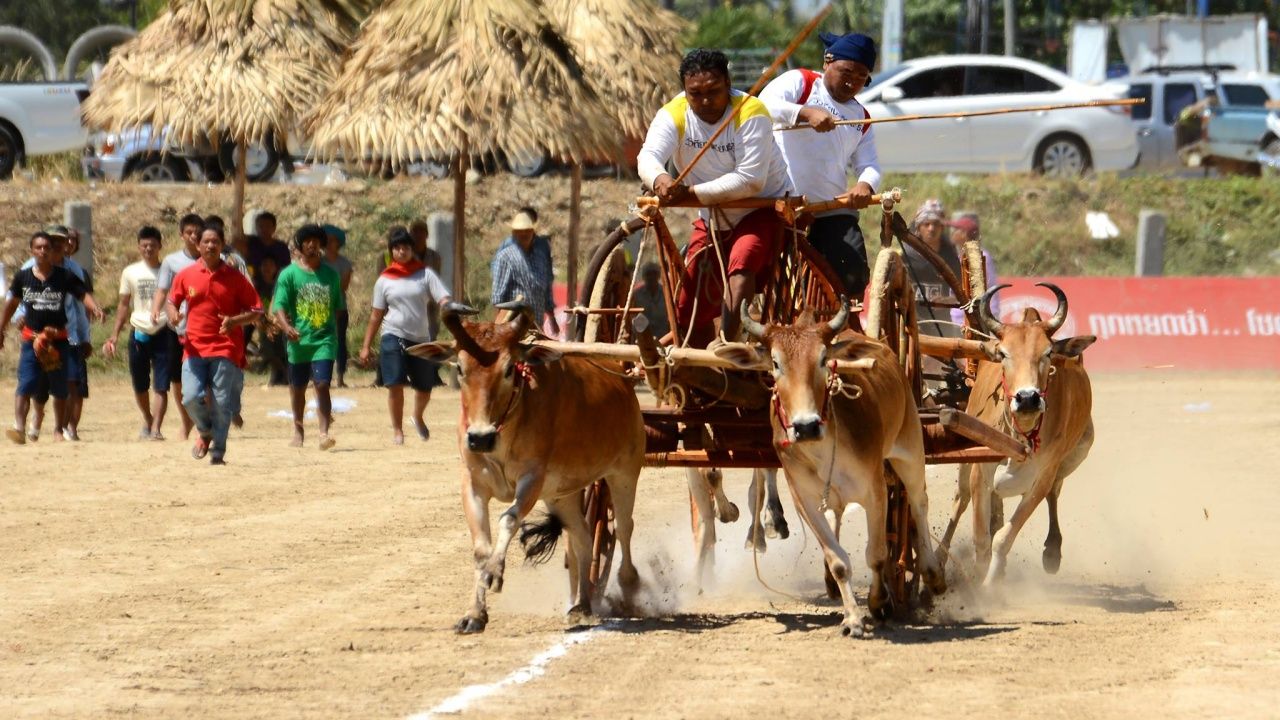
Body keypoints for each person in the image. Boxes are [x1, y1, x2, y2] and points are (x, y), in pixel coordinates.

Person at [637, 48, 793, 346]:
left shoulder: (751, 111)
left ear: (728, 84)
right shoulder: (674, 113)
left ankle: (727, 347)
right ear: (685, 91)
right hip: (711, 216)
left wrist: (689, 193)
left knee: (742, 261)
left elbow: (750, 180)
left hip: (761, 208)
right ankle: (695, 363)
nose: (705, 101)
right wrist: (660, 180)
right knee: (687, 306)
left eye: (714, 91)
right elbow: (648, 156)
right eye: (695, 94)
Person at [760, 31, 880, 300]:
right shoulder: (801, 82)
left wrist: (865, 184)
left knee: (852, 276)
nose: (852, 82)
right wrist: (805, 113)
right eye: (846, 72)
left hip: (828, 209)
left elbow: (870, 164)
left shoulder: (861, 117)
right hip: (777, 204)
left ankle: (845, 317)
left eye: (861, 76)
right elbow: (762, 107)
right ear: (827, 62)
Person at [166, 224, 262, 465]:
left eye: (215, 242)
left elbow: (256, 310)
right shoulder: (186, 275)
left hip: (225, 347)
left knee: (220, 402)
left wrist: (235, 321)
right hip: (194, 348)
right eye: (206, 242)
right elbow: (171, 301)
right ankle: (205, 431)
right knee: (190, 396)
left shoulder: (235, 277)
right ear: (197, 245)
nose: (210, 245)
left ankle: (218, 451)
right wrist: (173, 314)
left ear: (222, 245)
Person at [1, 231, 103, 444]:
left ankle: (58, 429)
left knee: (60, 388)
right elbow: (12, 304)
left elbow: (82, 294)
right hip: (32, 340)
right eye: (38, 248)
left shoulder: (64, 276)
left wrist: (95, 308)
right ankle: (19, 427)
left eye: (46, 247)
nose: (43, 251)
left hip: (59, 339)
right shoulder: (23, 277)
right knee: (25, 384)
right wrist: (1, 328)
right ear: (32, 250)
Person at [360, 226, 452, 445]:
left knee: (425, 388)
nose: (402, 251)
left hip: (421, 338)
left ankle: (417, 416)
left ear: (412, 250)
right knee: (395, 384)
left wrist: (449, 306)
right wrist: (366, 346)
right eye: (398, 248)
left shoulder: (425, 274)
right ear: (391, 251)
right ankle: (398, 430)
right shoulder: (384, 280)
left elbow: (443, 297)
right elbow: (376, 315)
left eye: (406, 248)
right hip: (393, 334)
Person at [272, 224, 344, 450]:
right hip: (298, 342)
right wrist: (286, 327)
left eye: (316, 241)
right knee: (298, 388)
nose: (312, 245)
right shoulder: (289, 275)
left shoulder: (331, 275)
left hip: (324, 340)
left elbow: (338, 308)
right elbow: (279, 307)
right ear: (300, 245)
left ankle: (324, 433)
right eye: (307, 241)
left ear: (321, 244)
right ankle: (298, 430)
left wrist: (334, 333)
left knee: (322, 384)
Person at [104, 225, 175, 440]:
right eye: (144, 245)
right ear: (138, 247)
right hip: (139, 331)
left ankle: (156, 428)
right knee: (140, 383)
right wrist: (115, 334)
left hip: (163, 330)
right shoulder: (130, 272)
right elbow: (124, 304)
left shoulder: (169, 271)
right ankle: (148, 418)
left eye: (152, 245)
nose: (148, 249)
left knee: (161, 384)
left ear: (160, 246)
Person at [152, 213, 204, 439]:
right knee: (177, 379)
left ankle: (204, 424)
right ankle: (186, 422)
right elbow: (163, 290)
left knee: (205, 379)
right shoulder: (171, 262)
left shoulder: (213, 259)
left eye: (197, 232)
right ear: (181, 235)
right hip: (177, 328)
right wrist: (156, 309)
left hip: (204, 328)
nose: (193, 236)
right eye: (189, 232)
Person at [490, 211, 560, 336]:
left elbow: (547, 290)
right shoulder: (505, 257)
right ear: (514, 233)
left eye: (527, 230)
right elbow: (497, 297)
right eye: (519, 231)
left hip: (536, 325)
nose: (524, 234)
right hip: (512, 326)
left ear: (533, 232)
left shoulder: (540, 257)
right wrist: (497, 328)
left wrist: (552, 318)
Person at [904, 198, 963, 339]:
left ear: (942, 227)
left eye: (936, 224)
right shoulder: (905, 254)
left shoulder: (950, 256)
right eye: (927, 224)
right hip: (909, 325)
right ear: (919, 227)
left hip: (942, 327)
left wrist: (948, 300)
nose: (931, 228)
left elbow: (964, 294)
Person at [246, 211, 290, 385]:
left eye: (267, 226)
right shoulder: (251, 244)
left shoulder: (281, 249)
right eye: (260, 226)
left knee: (280, 344)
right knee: (264, 344)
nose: (264, 229)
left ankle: (282, 374)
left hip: (278, 314)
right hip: (258, 314)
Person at [947, 212, 999, 328]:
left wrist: (946, 300)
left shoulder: (976, 257)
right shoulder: (962, 256)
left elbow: (975, 296)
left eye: (955, 230)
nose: (952, 233)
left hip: (974, 321)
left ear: (964, 234)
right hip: (963, 319)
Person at [322, 224, 354, 388]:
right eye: (326, 240)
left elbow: (343, 286)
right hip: (319, 307)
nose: (329, 243)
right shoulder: (318, 262)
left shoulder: (345, 263)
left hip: (339, 306)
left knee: (340, 341)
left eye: (332, 240)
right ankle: (321, 376)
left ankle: (340, 377)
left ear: (338, 243)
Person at [632, 262, 670, 339]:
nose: (651, 277)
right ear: (644, 276)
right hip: (643, 336)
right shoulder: (636, 294)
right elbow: (633, 316)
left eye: (654, 273)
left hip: (663, 336)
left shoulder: (666, 293)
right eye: (648, 274)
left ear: (658, 275)